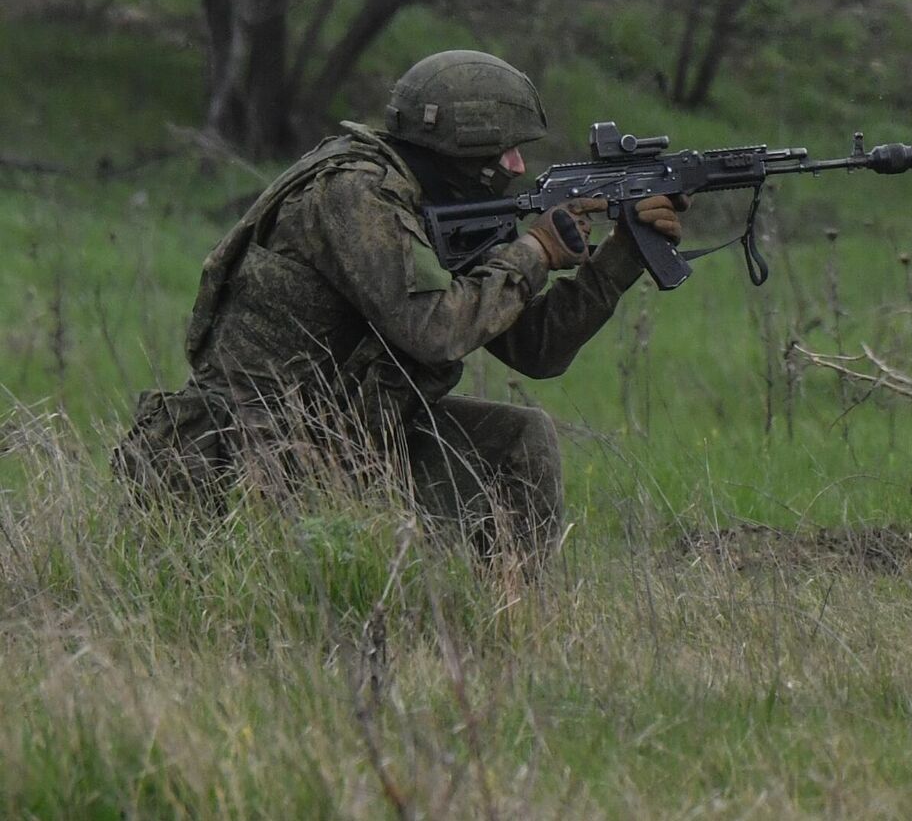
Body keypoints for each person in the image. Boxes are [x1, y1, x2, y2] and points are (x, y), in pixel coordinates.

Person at [115, 50, 686, 562]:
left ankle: (512, 628)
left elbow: (538, 350)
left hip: (344, 441)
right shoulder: (354, 193)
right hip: (253, 462)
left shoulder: (439, 202)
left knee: (520, 439)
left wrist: (623, 254)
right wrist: (533, 252)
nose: (516, 166)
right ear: (462, 146)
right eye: (504, 149)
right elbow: (432, 330)